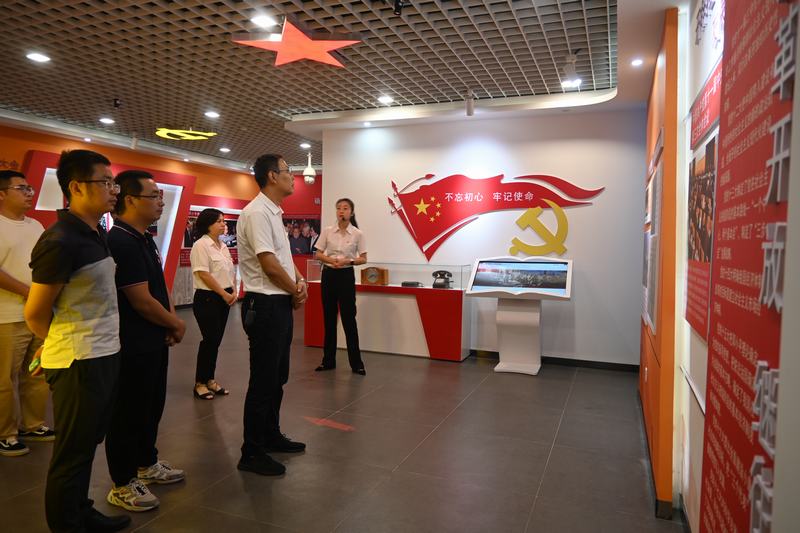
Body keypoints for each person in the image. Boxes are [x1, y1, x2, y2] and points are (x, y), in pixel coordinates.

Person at [24, 149, 131, 533]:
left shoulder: (93, 232)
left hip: (102, 353)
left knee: (86, 445)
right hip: (77, 361)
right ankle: (67, 524)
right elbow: (36, 312)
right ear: (76, 187)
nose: (114, 190)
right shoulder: (61, 240)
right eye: (105, 182)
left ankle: (81, 512)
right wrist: (59, 342)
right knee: (71, 453)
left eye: (113, 182)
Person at [104, 170, 186, 513]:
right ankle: (122, 482)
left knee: (151, 405)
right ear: (130, 199)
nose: (160, 202)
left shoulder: (144, 238)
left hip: (153, 337)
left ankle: (146, 463)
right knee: (128, 411)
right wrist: (175, 323)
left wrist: (169, 318)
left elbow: (158, 287)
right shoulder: (120, 241)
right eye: (154, 195)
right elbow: (139, 299)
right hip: (132, 342)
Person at [236, 153, 307, 477]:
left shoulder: (274, 212)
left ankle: (270, 434)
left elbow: (283, 258)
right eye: (288, 170)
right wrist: (295, 291)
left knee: (277, 377)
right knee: (263, 380)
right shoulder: (256, 213)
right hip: (264, 304)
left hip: (278, 303)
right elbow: (268, 264)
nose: (293, 176)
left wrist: (298, 282)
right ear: (272, 176)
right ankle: (251, 451)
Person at [0, 170, 53, 458]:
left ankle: (33, 424)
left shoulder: (36, 225)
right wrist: (28, 292)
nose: (29, 193)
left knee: (36, 372)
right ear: (2, 194)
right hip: (6, 316)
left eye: (30, 187)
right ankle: (5, 434)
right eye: (21, 188)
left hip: (37, 313)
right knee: (4, 380)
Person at [313, 198, 367, 375]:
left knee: (349, 320)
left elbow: (363, 258)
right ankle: (328, 361)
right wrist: (331, 260)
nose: (341, 211)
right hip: (329, 275)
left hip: (346, 276)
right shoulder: (328, 231)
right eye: (338, 208)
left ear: (352, 212)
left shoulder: (357, 233)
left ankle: (357, 364)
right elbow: (318, 254)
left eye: (345, 208)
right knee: (329, 319)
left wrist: (347, 261)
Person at [190, 208, 236, 400]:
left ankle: (210, 379)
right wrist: (224, 294)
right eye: (219, 221)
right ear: (208, 224)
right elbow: (203, 274)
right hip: (207, 298)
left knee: (216, 341)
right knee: (209, 340)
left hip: (223, 297)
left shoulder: (223, 246)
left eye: (223, 221)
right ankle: (200, 383)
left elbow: (229, 270)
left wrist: (233, 290)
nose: (223, 224)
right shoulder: (201, 245)